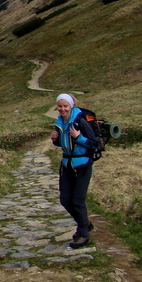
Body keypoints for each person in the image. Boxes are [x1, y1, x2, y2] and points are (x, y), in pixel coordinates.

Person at [50, 93, 97, 249]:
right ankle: (85, 224)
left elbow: (94, 144)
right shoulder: (60, 122)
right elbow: (64, 143)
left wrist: (78, 137)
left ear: (71, 106)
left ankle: (83, 234)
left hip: (83, 164)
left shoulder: (80, 122)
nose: (62, 109)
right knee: (65, 199)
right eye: (60, 106)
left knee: (77, 200)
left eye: (65, 106)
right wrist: (55, 140)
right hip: (67, 164)